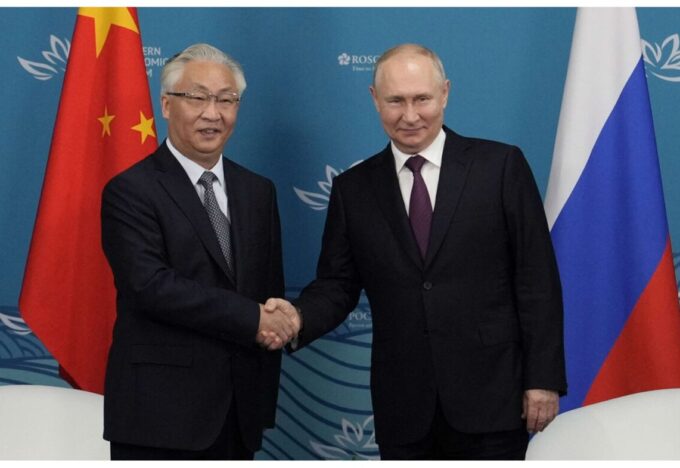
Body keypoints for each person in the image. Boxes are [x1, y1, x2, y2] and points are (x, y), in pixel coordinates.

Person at [263, 43, 566, 460]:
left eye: (421, 99)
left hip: (493, 399)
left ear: (445, 93)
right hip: (404, 406)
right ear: (375, 99)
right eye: (395, 101)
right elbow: (338, 285)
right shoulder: (354, 190)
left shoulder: (500, 167)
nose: (410, 116)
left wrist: (543, 378)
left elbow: (537, 278)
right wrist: (297, 317)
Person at [100, 43, 300, 460]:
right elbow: (151, 287)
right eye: (197, 98)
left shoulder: (257, 191)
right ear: (167, 105)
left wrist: (278, 322)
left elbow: (268, 287)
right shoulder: (130, 191)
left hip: (240, 411)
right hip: (160, 416)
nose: (213, 113)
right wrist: (254, 318)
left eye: (227, 100)